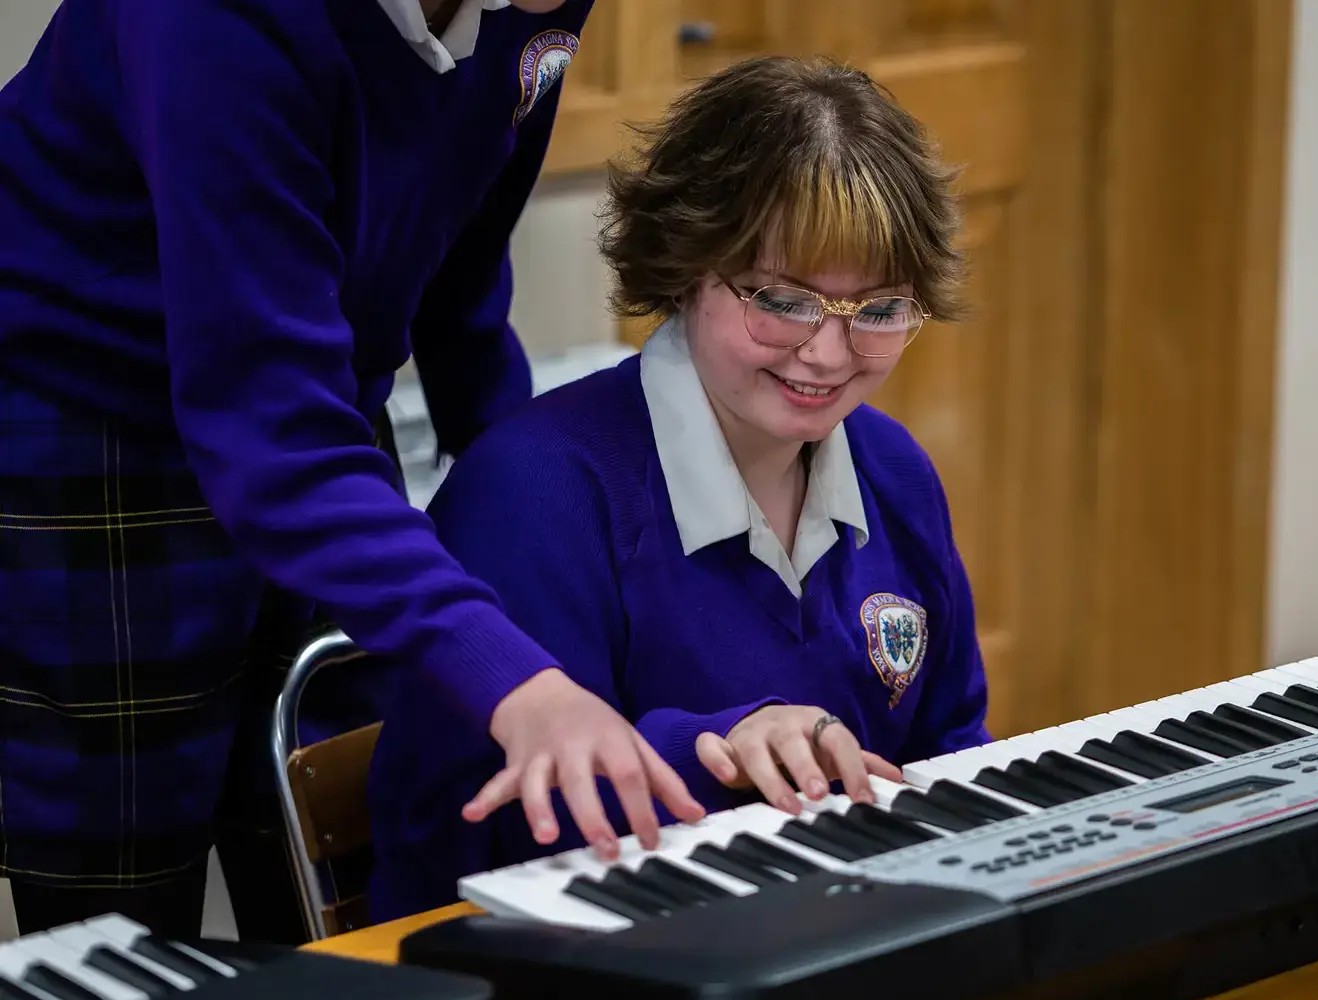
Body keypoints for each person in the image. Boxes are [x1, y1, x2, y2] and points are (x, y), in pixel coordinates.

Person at [0, 0, 705, 943]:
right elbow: (271, 429)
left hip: (308, 399)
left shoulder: (528, 6)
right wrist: (517, 683)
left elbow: (458, 263)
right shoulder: (212, 20)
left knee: (333, 864)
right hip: (87, 410)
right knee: (129, 918)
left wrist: (544, 500)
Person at [362, 54, 994, 922]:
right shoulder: (534, 493)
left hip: (822, 936)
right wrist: (720, 748)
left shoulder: (891, 469)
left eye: (879, 312)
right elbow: (493, 838)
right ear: (690, 266)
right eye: (783, 299)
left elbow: (950, 746)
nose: (828, 355)